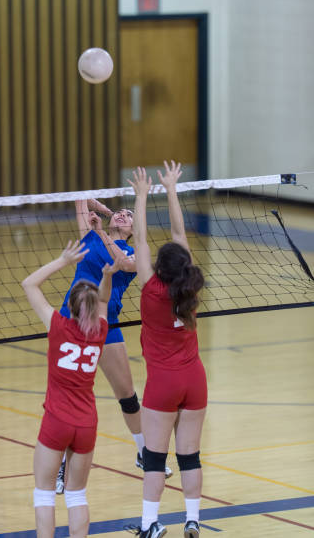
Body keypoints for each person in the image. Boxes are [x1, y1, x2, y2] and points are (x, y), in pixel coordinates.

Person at [57, 199, 172, 493]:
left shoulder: (136, 254)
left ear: (134, 230)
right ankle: (59, 465)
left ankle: (144, 452)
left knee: (128, 395)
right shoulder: (91, 233)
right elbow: (80, 196)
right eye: (120, 213)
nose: (123, 215)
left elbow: (122, 263)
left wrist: (105, 229)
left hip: (106, 324)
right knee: (68, 398)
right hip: (72, 321)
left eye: (129, 215)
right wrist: (108, 212)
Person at [125, 161, 207, 538]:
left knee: (155, 459)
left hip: (163, 384)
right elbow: (178, 231)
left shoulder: (150, 290)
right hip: (195, 380)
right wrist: (172, 188)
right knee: (189, 455)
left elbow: (139, 240)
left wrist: (142, 195)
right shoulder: (189, 288)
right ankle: (192, 519)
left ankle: (149, 525)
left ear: (160, 269)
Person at [21, 240, 120, 538]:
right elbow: (103, 300)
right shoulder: (101, 331)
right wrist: (108, 275)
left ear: (71, 307)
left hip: (57, 420)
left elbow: (29, 284)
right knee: (77, 495)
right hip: (86, 422)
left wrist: (64, 260)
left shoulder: (58, 325)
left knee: (44, 493)